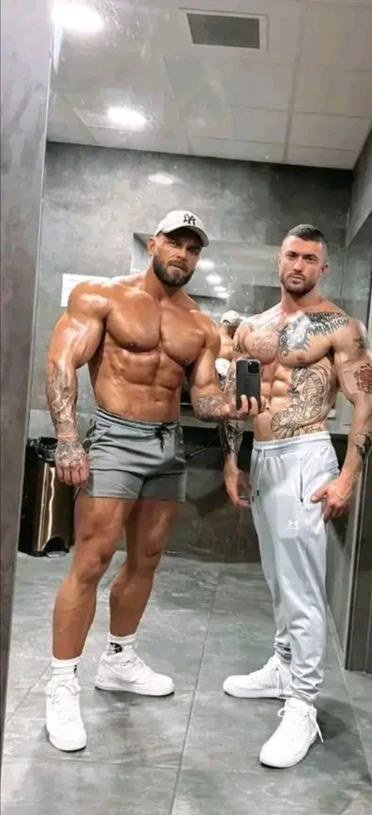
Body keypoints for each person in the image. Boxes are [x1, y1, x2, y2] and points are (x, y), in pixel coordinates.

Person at [44, 209, 261, 753]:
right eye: (176, 243)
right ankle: (62, 682)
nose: (183, 254)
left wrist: (230, 406)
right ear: (154, 243)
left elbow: (202, 395)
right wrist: (68, 438)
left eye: (193, 248)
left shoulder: (201, 325)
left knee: (146, 559)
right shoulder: (103, 296)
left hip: (167, 445)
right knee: (91, 560)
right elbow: (61, 362)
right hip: (114, 437)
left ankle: (119, 660)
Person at [220, 224, 372, 769]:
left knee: (303, 589)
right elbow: (236, 395)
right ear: (279, 260)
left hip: (307, 455)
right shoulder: (253, 327)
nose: (299, 265)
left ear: (323, 268)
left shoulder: (340, 327)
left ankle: (303, 704)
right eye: (292, 255)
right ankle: (283, 666)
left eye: (311, 258)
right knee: (276, 577)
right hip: (263, 459)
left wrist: (348, 476)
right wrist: (232, 459)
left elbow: (367, 404)